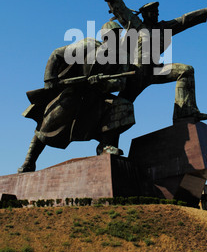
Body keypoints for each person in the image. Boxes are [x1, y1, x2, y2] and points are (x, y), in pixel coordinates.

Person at [100, 0, 207, 123]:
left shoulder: (163, 28)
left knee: (186, 70)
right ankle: (107, 139)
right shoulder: (136, 25)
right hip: (136, 73)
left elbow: (185, 20)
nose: (157, 13)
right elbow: (116, 4)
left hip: (155, 70)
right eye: (153, 12)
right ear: (145, 14)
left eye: (157, 11)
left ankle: (185, 112)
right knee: (120, 106)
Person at [17, 22, 135, 173]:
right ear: (105, 36)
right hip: (74, 93)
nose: (116, 38)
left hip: (97, 98)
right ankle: (29, 161)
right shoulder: (88, 46)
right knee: (47, 126)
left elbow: (120, 83)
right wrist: (49, 80)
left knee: (122, 106)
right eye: (112, 35)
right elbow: (56, 55)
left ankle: (105, 146)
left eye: (118, 35)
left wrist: (103, 83)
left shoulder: (121, 57)